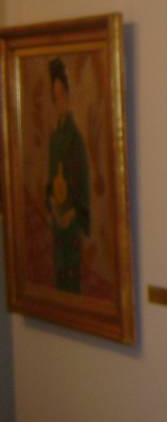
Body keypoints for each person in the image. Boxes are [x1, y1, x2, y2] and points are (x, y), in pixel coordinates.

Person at [46, 58, 90, 293]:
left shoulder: (76, 139)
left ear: (68, 95)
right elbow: (50, 178)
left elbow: (83, 182)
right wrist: (53, 206)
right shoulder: (54, 139)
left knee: (72, 271)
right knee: (59, 269)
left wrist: (72, 213)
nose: (59, 101)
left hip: (71, 219)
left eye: (62, 95)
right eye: (55, 97)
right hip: (57, 216)